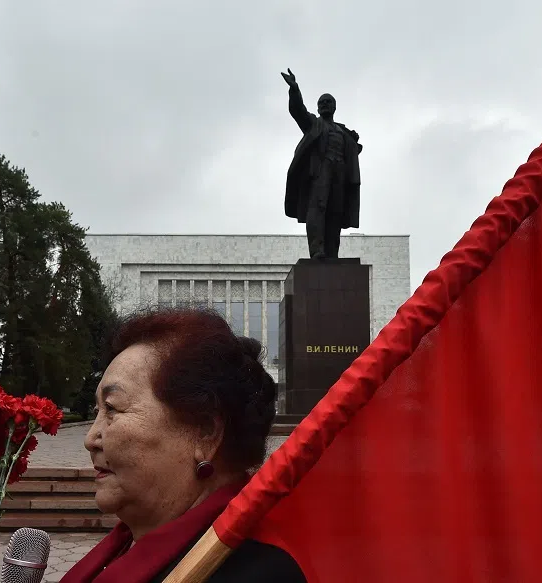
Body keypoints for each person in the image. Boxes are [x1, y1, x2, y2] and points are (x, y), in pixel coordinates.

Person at [60, 307, 307, 583]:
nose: (90, 439)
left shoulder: (255, 571)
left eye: (112, 408)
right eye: (97, 412)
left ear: (205, 433)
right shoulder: (125, 546)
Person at [281, 68, 362, 260]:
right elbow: (297, 111)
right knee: (317, 208)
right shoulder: (313, 124)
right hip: (321, 171)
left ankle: (332, 252)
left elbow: (354, 151)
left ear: (334, 107)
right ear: (317, 108)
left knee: (336, 211)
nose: (325, 105)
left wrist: (354, 143)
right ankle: (317, 250)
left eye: (328, 102)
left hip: (340, 173)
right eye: (321, 103)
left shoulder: (343, 131)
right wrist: (294, 89)